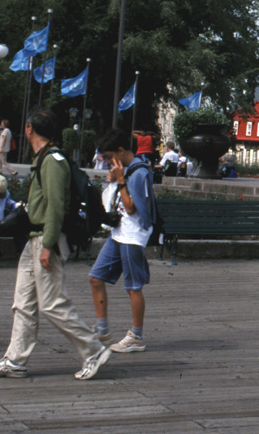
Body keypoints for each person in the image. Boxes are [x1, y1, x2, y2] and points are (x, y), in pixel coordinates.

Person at [0, 106, 112, 380]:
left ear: (29, 129)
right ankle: (15, 360)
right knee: (23, 303)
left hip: (45, 239)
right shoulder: (44, 158)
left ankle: (94, 349)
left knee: (52, 302)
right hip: (35, 238)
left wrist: (48, 245)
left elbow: (56, 206)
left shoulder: (53, 161)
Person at [88, 128, 155, 354]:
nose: (108, 162)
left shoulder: (139, 172)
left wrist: (120, 181)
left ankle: (136, 336)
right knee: (96, 277)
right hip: (119, 233)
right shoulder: (127, 171)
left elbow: (131, 206)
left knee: (133, 287)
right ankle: (102, 329)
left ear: (120, 150)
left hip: (132, 236)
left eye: (109, 157)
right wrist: (115, 181)